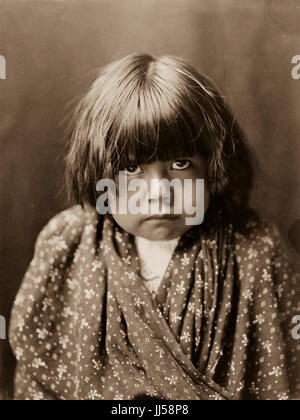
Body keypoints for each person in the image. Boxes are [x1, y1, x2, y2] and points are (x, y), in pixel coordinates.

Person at [9, 53, 299, 400]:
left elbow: (283, 378)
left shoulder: (255, 250)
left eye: (181, 163)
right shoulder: (66, 242)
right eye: (131, 169)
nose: (160, 193)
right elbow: (38, 375)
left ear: (214, 168)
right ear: (97, 171)